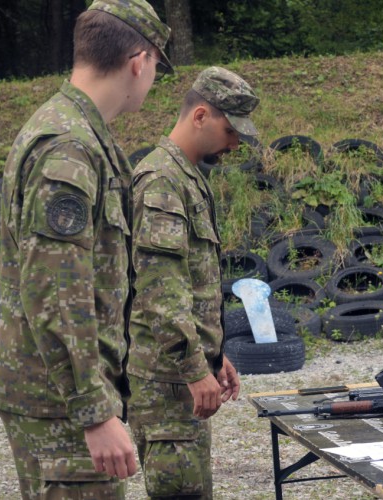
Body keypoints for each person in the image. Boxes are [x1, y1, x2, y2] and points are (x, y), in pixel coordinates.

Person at [0, 1, 171, 498]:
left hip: (58, 390)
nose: (152, 78)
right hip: (57, 400)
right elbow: (55, 289)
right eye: (156, 65)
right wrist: (93, 411)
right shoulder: (67, 146)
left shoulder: (79, 131)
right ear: (139, 60)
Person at [128, 66, 256, 498]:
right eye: (230, 129)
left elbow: (192, 282)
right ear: (200, 115)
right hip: (167, 380)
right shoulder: (162, 181)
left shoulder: (185, 177)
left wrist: (214, 358)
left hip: (180, 374)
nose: (235, 142)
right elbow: (161, 292)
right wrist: (193, 366)